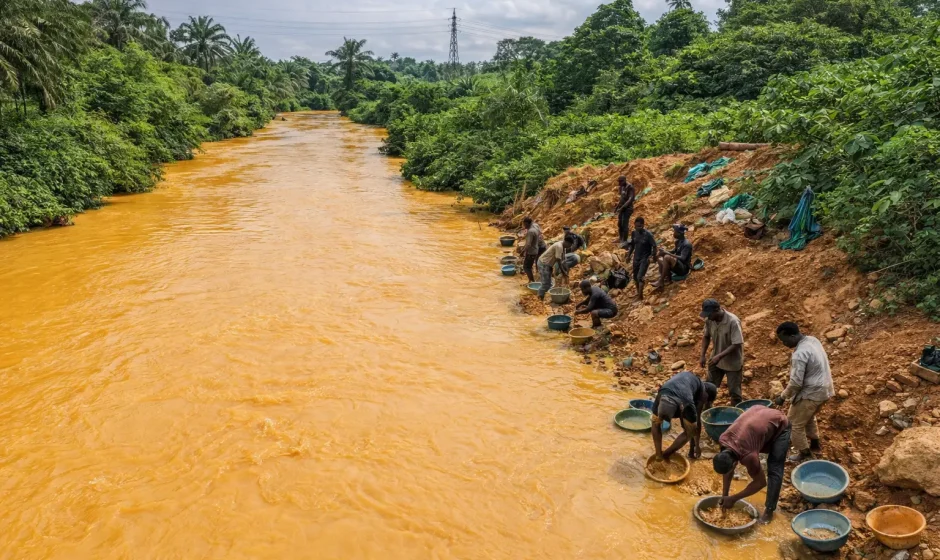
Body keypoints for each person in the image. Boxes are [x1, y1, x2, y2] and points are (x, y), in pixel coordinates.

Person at [712, 406, 791, 524]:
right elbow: (728, 470)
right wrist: (725, 496)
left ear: (735, 463)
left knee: (774, 468)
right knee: (759, 445)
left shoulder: (748, 455)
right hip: (759, 415)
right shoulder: (724, 439)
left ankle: (769, 511)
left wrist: (734, 499)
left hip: (780, 425)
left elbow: (760, 483)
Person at [774, 322, 835, 463]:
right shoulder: (813, 340)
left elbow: (796, 383)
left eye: (785, 340)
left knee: (793, 424)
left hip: (811, 393)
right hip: (824, 389)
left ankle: (805, 454)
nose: (784, 343)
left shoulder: (799, 354)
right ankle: (815, 445)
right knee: (807, 416)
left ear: (793, 335)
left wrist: (782, 397)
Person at [651, 371, 718, 460]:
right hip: (682, 400)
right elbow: (696, 424)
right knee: (689, 431)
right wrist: (696, 446)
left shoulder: (691, 380)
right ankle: (666, 455)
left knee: (656, 423)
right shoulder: (702, 393)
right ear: (706, 395)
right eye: (707, 401)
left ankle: (658, 455)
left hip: (663, 393)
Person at [700, 299, 745, 406]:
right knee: (708, 388)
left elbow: (737, 343)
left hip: (732, 362)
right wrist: (702, 355)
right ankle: (706, 411)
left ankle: (736, 416)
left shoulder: (733, 321)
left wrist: (719, 356)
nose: (707, 317)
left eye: (709, 314)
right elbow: (706, 337)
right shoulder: (710, 320)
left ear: (717, 310)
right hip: (716, 361)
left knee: (735, 392)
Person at [652, 224, 693, 290]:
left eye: (675, 231)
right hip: (677, 265)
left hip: (684, 269)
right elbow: (674, 251)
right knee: (660, 259)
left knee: (667, 257)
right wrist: (663, 251)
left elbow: (682, 258)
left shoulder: (687, 244)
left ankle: (661, 281)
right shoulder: (678, 242)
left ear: (679, 233)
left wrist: (667, 253)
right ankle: (668, 279)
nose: (673, 233)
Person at [625, 217, 656, 301]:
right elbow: (632, 245)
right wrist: (628, 256)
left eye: (640, 226)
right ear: (634, 225)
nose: (639, 228)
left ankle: (640, 296)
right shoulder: (634, 233)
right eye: (637, 226)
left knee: (640, 277)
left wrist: (653, 256)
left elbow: (654, 245)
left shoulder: (648, 235)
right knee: (635, 277)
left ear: (643, 225)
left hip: (644, 258)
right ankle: (638, 292)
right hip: (636, 258)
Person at [521, 217, 546, 283]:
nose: (523, 226)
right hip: (539, 246)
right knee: (537, 262)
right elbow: (540, 233)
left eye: (524, 224)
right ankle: (538, 277)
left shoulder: (530, 231)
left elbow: (528, 244)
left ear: (526, 223)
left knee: (526, 267)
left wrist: (523, 251)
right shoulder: (535, 225)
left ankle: (532, 281)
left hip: (532, 251)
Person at [615, 176, 635, 244]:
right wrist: (617, 207)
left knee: (624, 224)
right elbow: (621, 198)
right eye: (619, 181)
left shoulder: (630, 187)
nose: (619, 183)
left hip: (628, 209)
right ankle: (621, 238)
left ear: (625, 180)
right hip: (622, 208)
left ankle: (625, 240)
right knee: (619, 224)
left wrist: (622, 207)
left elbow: (630, 199)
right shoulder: (621, 187)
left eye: (621, 181)